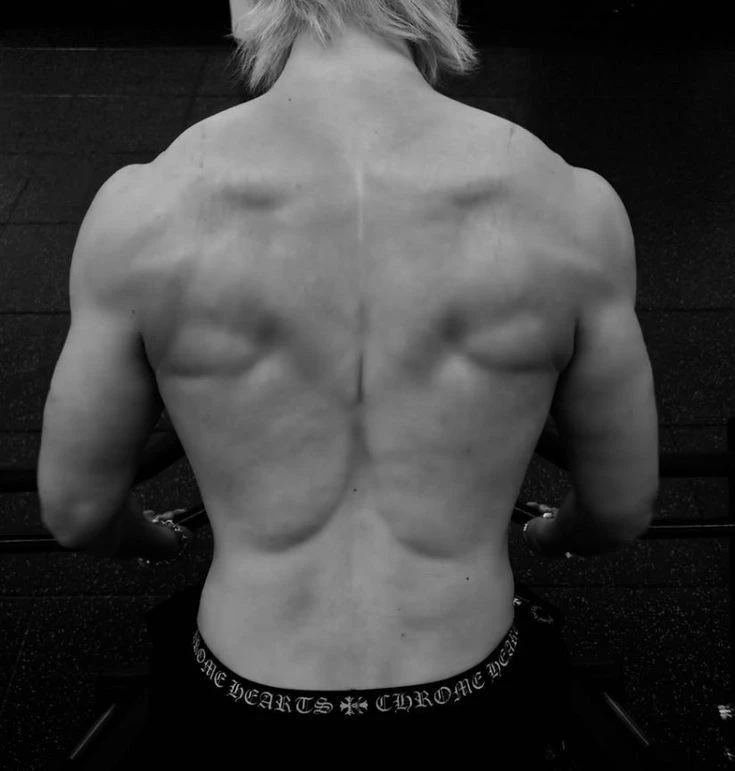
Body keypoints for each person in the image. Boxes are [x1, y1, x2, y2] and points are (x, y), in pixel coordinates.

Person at [49, 1, 661, 765]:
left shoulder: (143, 208)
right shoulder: (571, 206)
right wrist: (549, 532)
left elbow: (78, 511)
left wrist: (155, 538)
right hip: (469, 682)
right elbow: (618, 508)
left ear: (251, 5)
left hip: (245, 687)